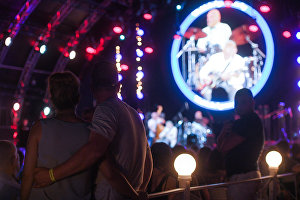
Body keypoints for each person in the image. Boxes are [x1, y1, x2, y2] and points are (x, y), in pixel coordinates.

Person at [33, 62, 153, 200]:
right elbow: (148, 161)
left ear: (91, 88)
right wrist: (139, 191)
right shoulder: (134, 114)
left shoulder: (105, 109)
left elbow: (96, 152)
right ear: (118, 86)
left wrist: (50, 175)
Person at [217, 88, 264, 200]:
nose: (238, 106)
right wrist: (223, 132)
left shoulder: (249, 121)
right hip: (244, 176)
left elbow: (224, 148)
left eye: (242, 102)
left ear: (252, 103)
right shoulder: (245, 121)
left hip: (243, 177)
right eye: (237, 103)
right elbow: (221, 147)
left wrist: (223, 134)